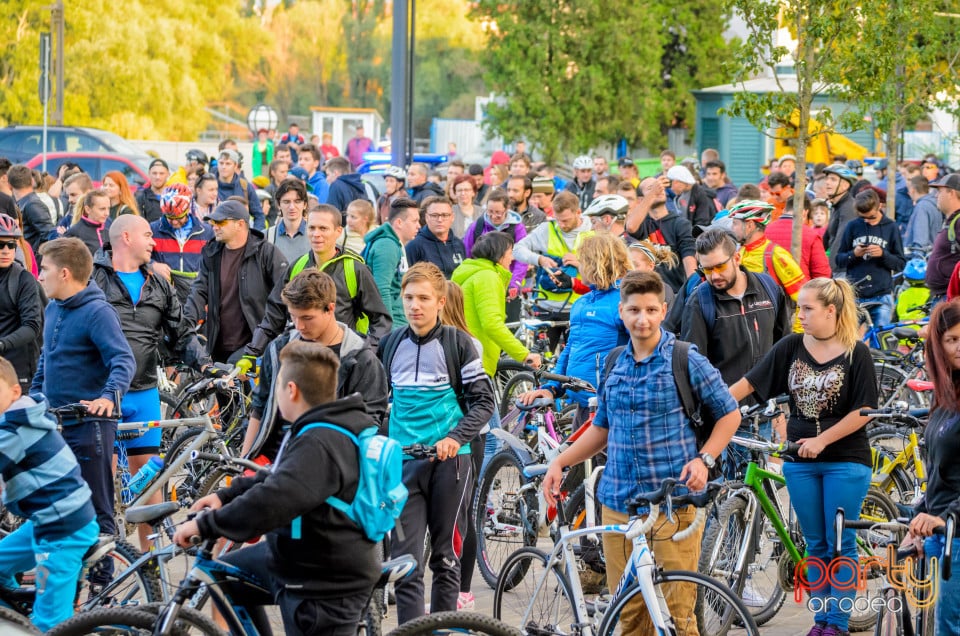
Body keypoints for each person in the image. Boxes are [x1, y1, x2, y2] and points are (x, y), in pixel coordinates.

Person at [542, 270, 740, 635]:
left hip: (673, 504)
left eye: (651, 309)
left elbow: (729, 413)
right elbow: (601, 428)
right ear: (622, 312)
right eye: (634, 310)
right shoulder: (615, 360)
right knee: (631, 616)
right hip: (619, 503)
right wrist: (561, 460)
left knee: (681, 616)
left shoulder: (684, 359)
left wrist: (705, 459)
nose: (642, 319)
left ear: (664, 310)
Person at [173, 340, 380, 636]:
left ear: (291, 390)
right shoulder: (313, 427)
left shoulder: (319, 442)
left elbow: (272, 501)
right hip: (302, 553)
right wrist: (224, 495)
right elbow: (275, 475)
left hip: (325, 579)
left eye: (278, 385)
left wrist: (207, 526)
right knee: (227, 575)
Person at [728, 278, 876, 636]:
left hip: (846, 459)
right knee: (815, 544)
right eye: (799, 307)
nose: (800, 315)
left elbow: (865, 410)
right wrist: (710, 404)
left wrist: (822, 440)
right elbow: (747, 385)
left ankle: (837, 624)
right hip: (799, 461)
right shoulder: (791, 346)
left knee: (840, 544)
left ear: (831, 311)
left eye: (807, 308)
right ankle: (821, 619)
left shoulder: (857, 352)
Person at [378, 262, 495, 622]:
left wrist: (454, 437)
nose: (415, 305)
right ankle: (412, 631)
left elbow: (484, 402)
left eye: (424, 298)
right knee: (405, 561)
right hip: (403, 463)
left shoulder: (457, 343)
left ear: (440, 302)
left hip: (450, 462)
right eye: (409, 298)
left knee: (445, 556)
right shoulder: (391, 342)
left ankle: (443, 629)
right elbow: (378, 401)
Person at [92, 215, 208, 549]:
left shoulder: (158, 284)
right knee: (102, 486)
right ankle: (102, 571)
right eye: (147, 235)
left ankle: (150, 565)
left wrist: (206, 366)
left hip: (143, 393)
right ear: (125, 237)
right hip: (103, 395)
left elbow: (182, 334)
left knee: (149, 484)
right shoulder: (94, 281)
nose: (154, 242)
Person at [31, 237, 135, 570]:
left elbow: (123, 360)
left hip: (90, 426)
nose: (39, 275)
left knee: (98, 511)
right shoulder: (52, 307)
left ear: (64, 273)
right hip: (55, 424)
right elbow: (45, 364)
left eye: (44, 269)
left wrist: (108, 397)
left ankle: (103, 590)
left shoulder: (97, 312)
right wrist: (32, 401)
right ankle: (71, 581)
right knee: (62, 509)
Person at [242, 270, 388, 461]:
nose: (299, 325)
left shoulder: (361, 359)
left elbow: (369, 423)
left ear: (330, 308)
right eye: (293, 317)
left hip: (326, 465)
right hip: (271, 460)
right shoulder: (278, 349)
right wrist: (244, 461)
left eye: (307, 318)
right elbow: (260, 407)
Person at [0, 357, 99, 633]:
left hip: (63, 530)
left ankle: (33, 624)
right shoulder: (20, 417)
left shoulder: (13, 428)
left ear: (14, 392)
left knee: (49, 624)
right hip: (48, 520)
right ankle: (16, 616)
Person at [248, 205, 391, 359]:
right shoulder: (297, 266)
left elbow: (381, 320)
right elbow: (274, 315)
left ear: (338, 231)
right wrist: (252, 352)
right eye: (312, 228)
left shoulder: (355, 269)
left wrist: (368, 353)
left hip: (342, 360)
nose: (316, 234)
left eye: (323, 228)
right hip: (302, 358)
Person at [518, 233, 630, 422]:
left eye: (582, 261)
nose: (578, 268)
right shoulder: (582, 303)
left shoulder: (624, 301)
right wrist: (552, 388)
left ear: (596, 263)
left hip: (609, 408)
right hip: (583, 405)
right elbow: (570, 349)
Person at [904, 299, 960, 635]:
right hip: (943, 534)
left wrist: (944, 517)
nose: (959, 346)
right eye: (952, 339)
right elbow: (941, 471)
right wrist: (921, 515)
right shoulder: (945, 395)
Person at [183, 200, 289, 364]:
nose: (215, 226)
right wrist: (184, 325)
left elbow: (283, 296)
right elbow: (198, 291)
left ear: (240, 224)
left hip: (256, 346)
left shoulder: (266, 253)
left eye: (221, 222)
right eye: (213, 222)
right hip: (218, 346)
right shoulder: (212, 253)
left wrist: (262, 341)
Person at [451, 231, 541, 377]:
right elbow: (492, 324)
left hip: (465, 355)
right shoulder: (488, 277)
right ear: (499, 255)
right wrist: (523, 354)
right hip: (477, 359)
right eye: (510, 252)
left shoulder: (473, 273)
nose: (512, 258)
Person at [513, 191, 594, 318]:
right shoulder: (547, 228)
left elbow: (605, 272)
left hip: (580, 307)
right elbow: (517, 249)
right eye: (558, 220)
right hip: (545, 306)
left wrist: (580, 264)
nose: (561, 225)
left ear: (578, 212)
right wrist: (539, 259)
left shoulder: (594, 233)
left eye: (565, 220)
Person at [835, 188, 906, 327]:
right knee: (849, 341)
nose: (867, 221)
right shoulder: (853, 226)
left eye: (871, 217)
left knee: (879, 340)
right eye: (863, 217)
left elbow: (900, 264)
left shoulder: (891, 227)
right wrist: (854, 254)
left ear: (880, 206)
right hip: (855, 294)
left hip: (881, 294)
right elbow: (838, 259)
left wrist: (883, 254)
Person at [728, 200, 808, 314]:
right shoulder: (740, 252)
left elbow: (802, 297)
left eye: (735, 223)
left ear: (749, 225)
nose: (732, 228)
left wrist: (798, 331)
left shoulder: (776, 254)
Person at [626, 177, 698, 292]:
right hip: (644, 291)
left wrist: (693, 288)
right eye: (651, 188)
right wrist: (652, 195)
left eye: (659, 186)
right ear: (641, 200)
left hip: (674, 292)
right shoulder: (641, 223)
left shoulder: (680, 223)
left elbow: (689, 258)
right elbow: (630, 227)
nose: (658, 190)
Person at [150, 183, 216, 305]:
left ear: (188, 209)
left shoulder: (207, 232)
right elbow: (137, 258)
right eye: (169, 217)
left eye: (179, 217)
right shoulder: (152, 230)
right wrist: (152, 265)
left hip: (196, 298)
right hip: (164, 297)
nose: (174, 222)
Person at [0, 214, 43, 393]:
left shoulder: (23, 279)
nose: (6, 250)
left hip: (18, 371)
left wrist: (2, 344)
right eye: (0, 245)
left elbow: (32, 326)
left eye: (11, 245)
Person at [363, 198, 420, 327]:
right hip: (393, 325)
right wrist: (388, 328)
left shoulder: (395, 244)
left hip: (399, 320)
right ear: (399, 223)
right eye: (415, 221)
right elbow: (382, 290)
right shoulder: (387, 246)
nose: (419, 225)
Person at [462, 189, 527, 291]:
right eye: (490, 211)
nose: (493, 216)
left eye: (498, 212)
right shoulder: (477, 226)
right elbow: (466, 253)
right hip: (482, 280)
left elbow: (522, 258)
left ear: (506, 209)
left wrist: (513, 284)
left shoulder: (517, 228)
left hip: (507, 282)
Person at [765, 196, 832, 280]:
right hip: (800, 289)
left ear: (784, 210)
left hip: (768, 287)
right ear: (805, 212)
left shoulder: (764, 231)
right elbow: (822, 273)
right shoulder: (811, 235)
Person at [405, 196, 466, 279]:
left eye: (445, 215)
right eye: (434, 215)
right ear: (426, 217)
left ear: (452, 217)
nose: (440, 219)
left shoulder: (458, 244)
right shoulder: (414, 246)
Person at [925, 174, 960, 303]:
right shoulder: (952, 221)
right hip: (944, 297)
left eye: (939, 191)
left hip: (951, 299)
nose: (936, 196)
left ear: (951, 193)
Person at [821, 163, 860, 274]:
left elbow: (840, 242)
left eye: (833, 179)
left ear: (845, 185)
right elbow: (827, 238)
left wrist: (830, 270)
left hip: (842, 270)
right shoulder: (837, 205)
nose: (827, 182)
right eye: (827, 179)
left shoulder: (848, 209)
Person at [7, 165, 54, 252]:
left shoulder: (33, 204)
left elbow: (49, 235)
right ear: (32, 181)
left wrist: (35, 256)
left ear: (9, 185)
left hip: (33, 260)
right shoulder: (22, 203)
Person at [216, 149, 266, 231]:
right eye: (221, 163)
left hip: (240, 236)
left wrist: (255, 235)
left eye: (228, 163)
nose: (223, 167)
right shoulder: (209, 185)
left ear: (235, 166)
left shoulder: (245, 186)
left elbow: (259, 215)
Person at [265, 178, 310, 262]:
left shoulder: (316, 236)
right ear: (279, 205)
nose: (292, 207)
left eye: (297, 201)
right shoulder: (266, 236)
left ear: (305, 204)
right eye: (286, 202)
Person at [64, 189, 111, 256]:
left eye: (108, 208)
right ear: (88, 209)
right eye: (102, 209)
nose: (107, 213)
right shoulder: (74, 233)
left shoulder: (108, 232)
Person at [904, 175, 943, 253]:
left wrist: (917, 262)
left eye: (908, 189)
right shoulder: (934, 204)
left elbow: (920, 241)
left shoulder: (922, 207)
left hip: (922, 258)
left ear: (912, 190)